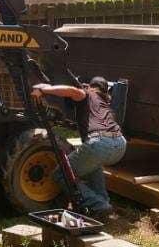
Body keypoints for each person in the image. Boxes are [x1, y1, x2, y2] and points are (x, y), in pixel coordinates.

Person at [31, 77, 126, 219]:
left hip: (100, 143)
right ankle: (103, 203)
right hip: (120, 145)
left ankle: (98, 204)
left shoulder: (87, 94)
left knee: (61, 174)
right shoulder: (104, 103)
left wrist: (44, 89)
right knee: (93, 166)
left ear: (91, 86)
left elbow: (72, 91)